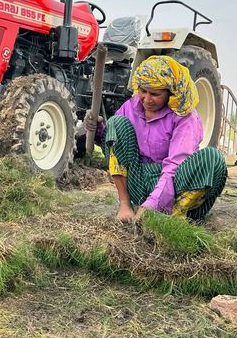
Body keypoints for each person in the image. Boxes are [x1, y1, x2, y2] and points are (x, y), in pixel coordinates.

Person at [85, 55, 227, 222]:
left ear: (170, 93)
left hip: (174, 185)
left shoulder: (185, 117)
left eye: (155, 94)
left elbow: (175, 165)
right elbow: (114, 144)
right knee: (116, 123)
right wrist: (97, 129)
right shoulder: (130, 107)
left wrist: (151, 204)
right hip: (139, 181)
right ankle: (125, 204)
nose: (146, 98)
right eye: (143, 91)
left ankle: (176, 217)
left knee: (213, 157)